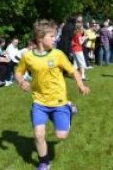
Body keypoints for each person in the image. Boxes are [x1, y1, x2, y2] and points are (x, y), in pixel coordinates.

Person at [15, 19, 90, 170]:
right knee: (38, 134)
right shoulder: (28, 56)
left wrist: (80, 84)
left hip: (59, 101)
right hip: (39, 101)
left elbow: (73, 71)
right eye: (51, 36)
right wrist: (21, 81)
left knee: (61, 135)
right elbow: (18, 71)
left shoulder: (58, 54)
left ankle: (69, 110)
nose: (54, 39)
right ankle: (44, 161)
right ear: (40, 38)